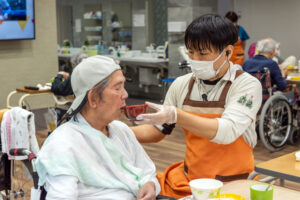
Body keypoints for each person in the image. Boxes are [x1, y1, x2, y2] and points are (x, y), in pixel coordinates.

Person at [131, 14, 262, 199]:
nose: (195, 59)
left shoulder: (246, 85)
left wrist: (177, 115)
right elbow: (157, 131)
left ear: (228, 52)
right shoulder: (181, 85)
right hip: (190, 181)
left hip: (233, 184)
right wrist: (114, 131)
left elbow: (227, 132)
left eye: (202, 53)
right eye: (191, 52)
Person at [35, 56, 160, 200]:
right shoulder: (63, 143)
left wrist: (151, 185)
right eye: (118, 88)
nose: (125, 94)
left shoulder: (121, 130)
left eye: (123, 87)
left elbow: (148, 173)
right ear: (93, 98)